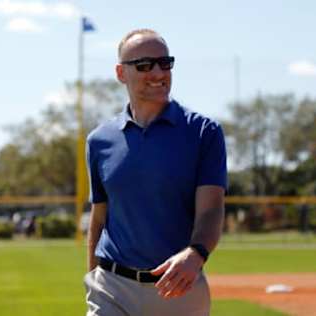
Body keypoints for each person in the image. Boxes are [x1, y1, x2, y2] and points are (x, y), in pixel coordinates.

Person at [84, 28, 227, 316]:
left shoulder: (203, 133)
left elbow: (211, 210)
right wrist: (91, 278)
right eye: (145, 65)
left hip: (178, 289)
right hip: (111, 287)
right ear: (121, 73)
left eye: (165, 63)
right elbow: (99, 218)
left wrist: (196, 253)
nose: (158, 72)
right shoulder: (99, 140)